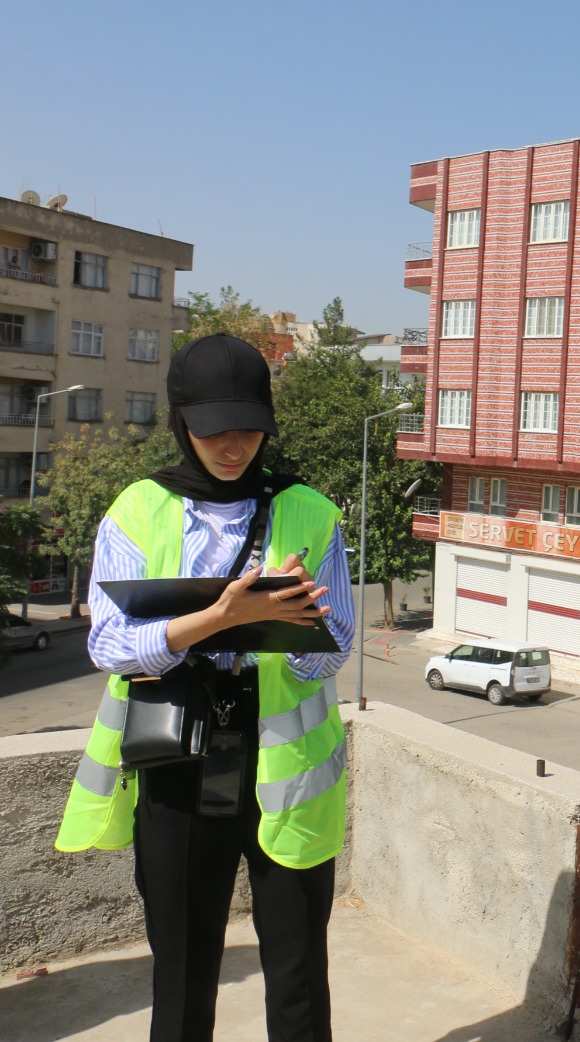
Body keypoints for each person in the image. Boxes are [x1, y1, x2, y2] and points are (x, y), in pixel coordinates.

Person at [56, 332, 356, 1042]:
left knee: (298, 969)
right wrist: (215, 620)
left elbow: (337, 646)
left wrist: (299, 624)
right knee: (185, 971)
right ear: (181, 421)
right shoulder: (138, 509)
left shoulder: (310, 511)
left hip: (286, 765)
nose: (233, 445)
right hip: (178, 762)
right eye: (213, 429)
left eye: (250, 429)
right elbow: (106, 644)